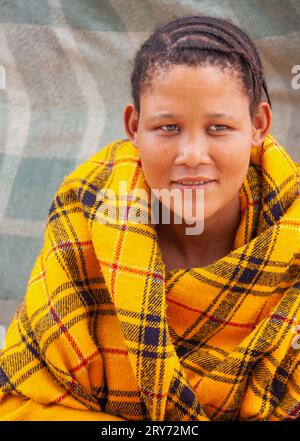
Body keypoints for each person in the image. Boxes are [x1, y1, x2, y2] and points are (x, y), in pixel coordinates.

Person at [0, 15, 299, 421]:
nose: (192, 154)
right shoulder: (87, 218)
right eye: (168, 127)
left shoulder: (291, 244)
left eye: (219, 127)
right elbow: (21, 400)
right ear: (134, 127)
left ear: (258, 126)